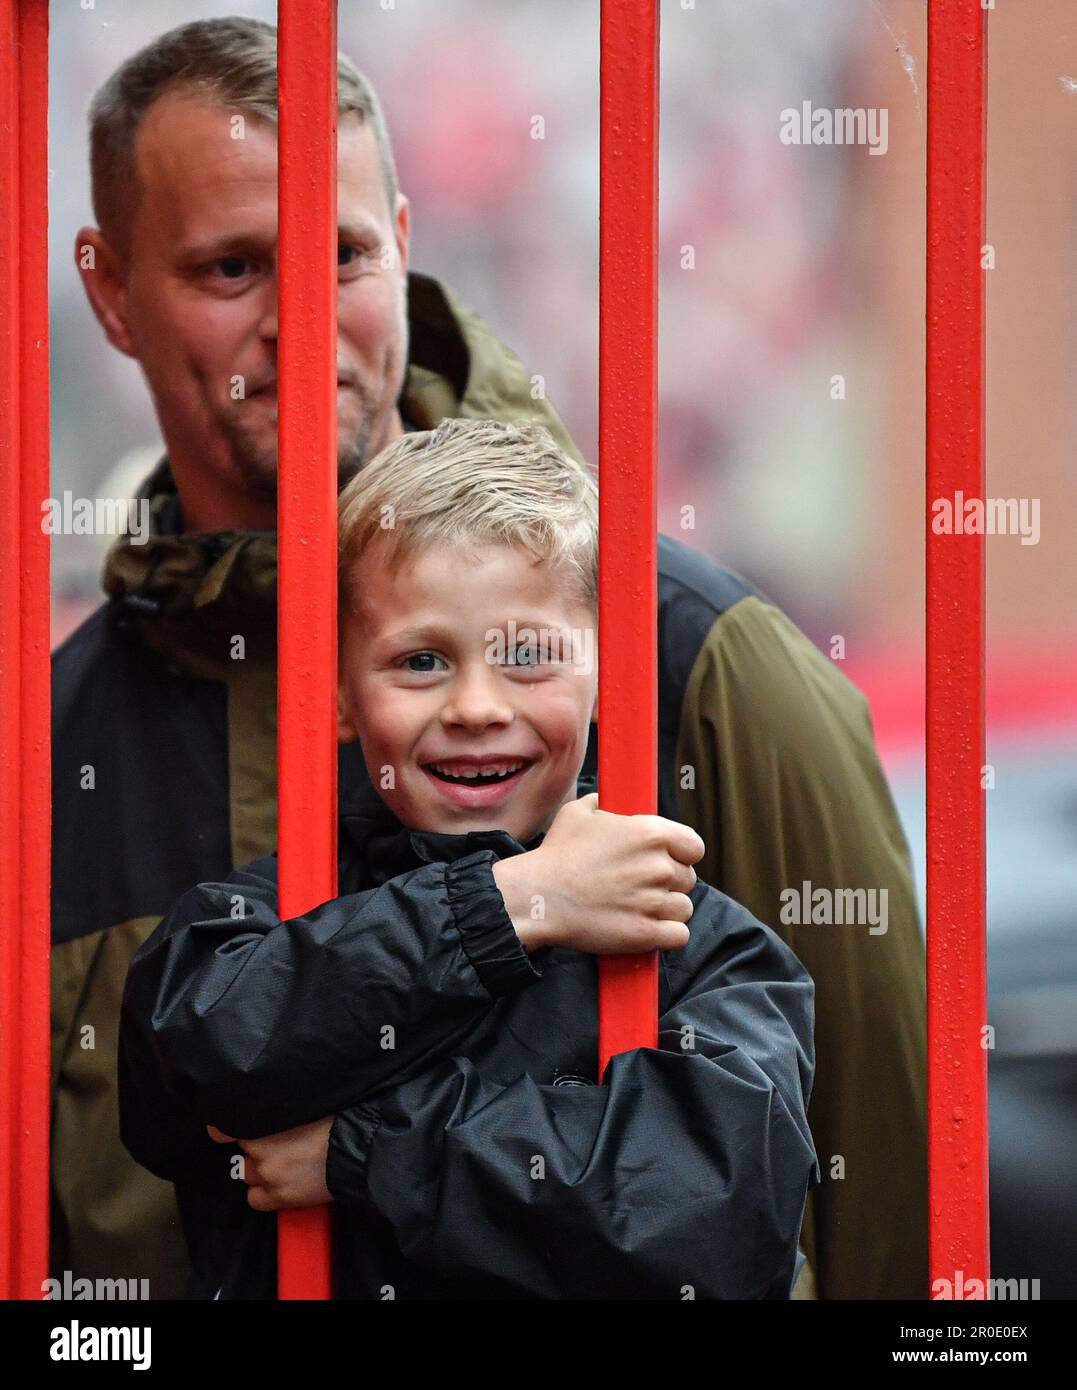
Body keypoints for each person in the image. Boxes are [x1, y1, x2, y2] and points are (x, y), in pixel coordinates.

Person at [53, 16, 925, 1301]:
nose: (301, 325)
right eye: (233, 268)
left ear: (404, 243)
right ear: (112, 293)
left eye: (342, 255)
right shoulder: (53, 753)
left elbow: (877, 1199)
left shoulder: (699, 654)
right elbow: (169, 1093)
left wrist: (362, 1150)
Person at [118, 419, 817, 1300]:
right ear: (336, 696)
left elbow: (715, 1216)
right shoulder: (272, 911)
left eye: (528, 656)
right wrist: (511, 904)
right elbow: (194, 1056)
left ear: (610, 677)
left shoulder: (698, 944)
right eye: (420, 660)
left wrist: (364, 1149)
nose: (477, 706)